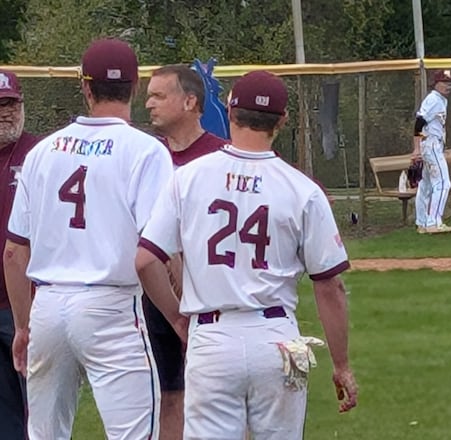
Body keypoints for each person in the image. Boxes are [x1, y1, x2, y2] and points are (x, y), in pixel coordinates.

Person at [135, 70, 358, 439]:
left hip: (211, 336)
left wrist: (177, 319)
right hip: (279, 337)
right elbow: (329, 285)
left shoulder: (188, 177)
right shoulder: (302, 189)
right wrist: (342, 365)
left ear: (229, 110)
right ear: (282, 120)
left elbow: (145, 260)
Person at [2, 38, 186, 439]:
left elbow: (14, 252)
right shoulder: (146, 151)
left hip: (48, 305)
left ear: (85, 88)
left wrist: (22, 325)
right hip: (112, 305)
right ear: (135, 88)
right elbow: (159, 250)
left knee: (44, 433)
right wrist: (177, 312)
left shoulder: (42, 151)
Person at [144, 63, 227, 440]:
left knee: (222, 396)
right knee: (170, 393)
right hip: (156, 292)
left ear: (190, 101)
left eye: (159, 95)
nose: (148, 104)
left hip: (212, 293)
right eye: (148, 95)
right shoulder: (145, 157)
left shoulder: (223, 157)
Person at [0, 69, 40, 440]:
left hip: (28, 302)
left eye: (11, 104)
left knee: (39, 410)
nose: (5, 113)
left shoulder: (39, 152)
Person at [412, 69, 451, 234]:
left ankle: (422, 222)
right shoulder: (433, 99)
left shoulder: (440, 99)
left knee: (426, 185)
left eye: (450, 82)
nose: (448, 85)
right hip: (430, 144)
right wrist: (417, 148)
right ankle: (434, 223)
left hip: (431, 143)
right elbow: (419, 123)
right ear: (436, 83)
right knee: (444, 183)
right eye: (444, 82)